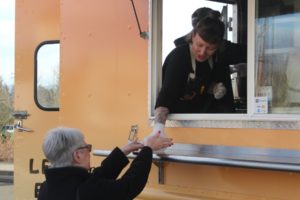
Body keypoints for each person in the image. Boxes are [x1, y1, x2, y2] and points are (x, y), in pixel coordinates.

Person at [152, 8, 247, 137]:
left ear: (218, 46)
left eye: (210, 49)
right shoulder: (179, 58)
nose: (202, 53)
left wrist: (213, 88)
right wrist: (158, 131)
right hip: (178, 127)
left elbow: (202, 83)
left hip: (204, 125)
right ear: (193, 36)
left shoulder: (215, 59)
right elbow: (164, 100)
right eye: (199, 45)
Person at [38, 127, 173, 200]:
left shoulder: (46, 188)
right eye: (87, 148)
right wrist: (147, 149)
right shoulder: (85, 191)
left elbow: (96, 178)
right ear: (78, 155)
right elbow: (129, 186)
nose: (89, 152)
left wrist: (121, 152)